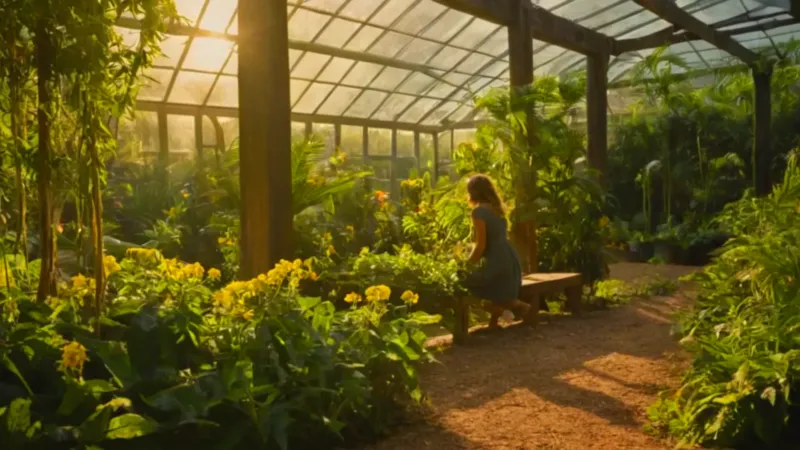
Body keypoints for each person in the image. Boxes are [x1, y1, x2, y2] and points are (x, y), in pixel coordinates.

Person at [462, 174, 534, 330]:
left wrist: (467, 265)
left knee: (467, 287)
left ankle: (511, 310)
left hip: (497, 259)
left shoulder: (479, 212)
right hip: (509, 257)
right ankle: (496, 321)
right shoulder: (497, 209)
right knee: (497, 291)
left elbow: (481, 245)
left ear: (473, 192)